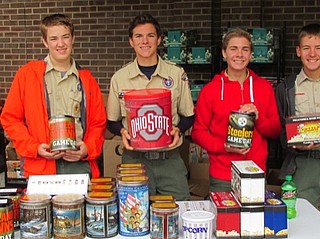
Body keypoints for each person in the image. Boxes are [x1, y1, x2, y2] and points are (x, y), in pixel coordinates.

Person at [0, 14, 106, 178]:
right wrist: (34, 148)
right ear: (44, 42)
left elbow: (98, 124)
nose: (61, 44)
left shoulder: (87, 80)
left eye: (65, 37)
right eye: (54, 39)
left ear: (73, 39)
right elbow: (10, 118)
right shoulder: (27, 75)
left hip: (78, 165)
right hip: (40, 166)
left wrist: (88, 149)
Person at [107, 14, 194, 201]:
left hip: (169, 158)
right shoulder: (119, 78)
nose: (144, 41)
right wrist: (122, 131)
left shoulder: (176, 74)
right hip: (134, 160)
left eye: (150, 35)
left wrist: (179, 129)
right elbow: (111, 121)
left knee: (178, 212)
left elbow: (189, 115)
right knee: (135, 217)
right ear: (131, 41)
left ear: (159, 39)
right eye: (138, 36)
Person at [191, 28, 281, 192]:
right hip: (222, 175)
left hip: (255, 173)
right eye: (234, 49)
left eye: (245, 49)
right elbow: (198, 132)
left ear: (251, 54)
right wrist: (223, 146)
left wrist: (259, 117)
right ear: (224, 53)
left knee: (255, 218)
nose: (239, 54)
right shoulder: (210, 90)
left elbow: (275, 130)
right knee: (224, 218)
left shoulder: (264, 88)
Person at [275, 23, 320, 210]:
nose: (312, 54)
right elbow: (280, 131)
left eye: (318, 48)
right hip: (304, 163)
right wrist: (296, 146)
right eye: (306, 48)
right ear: (298, 51)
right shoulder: (286, 87)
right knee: (301, 215)